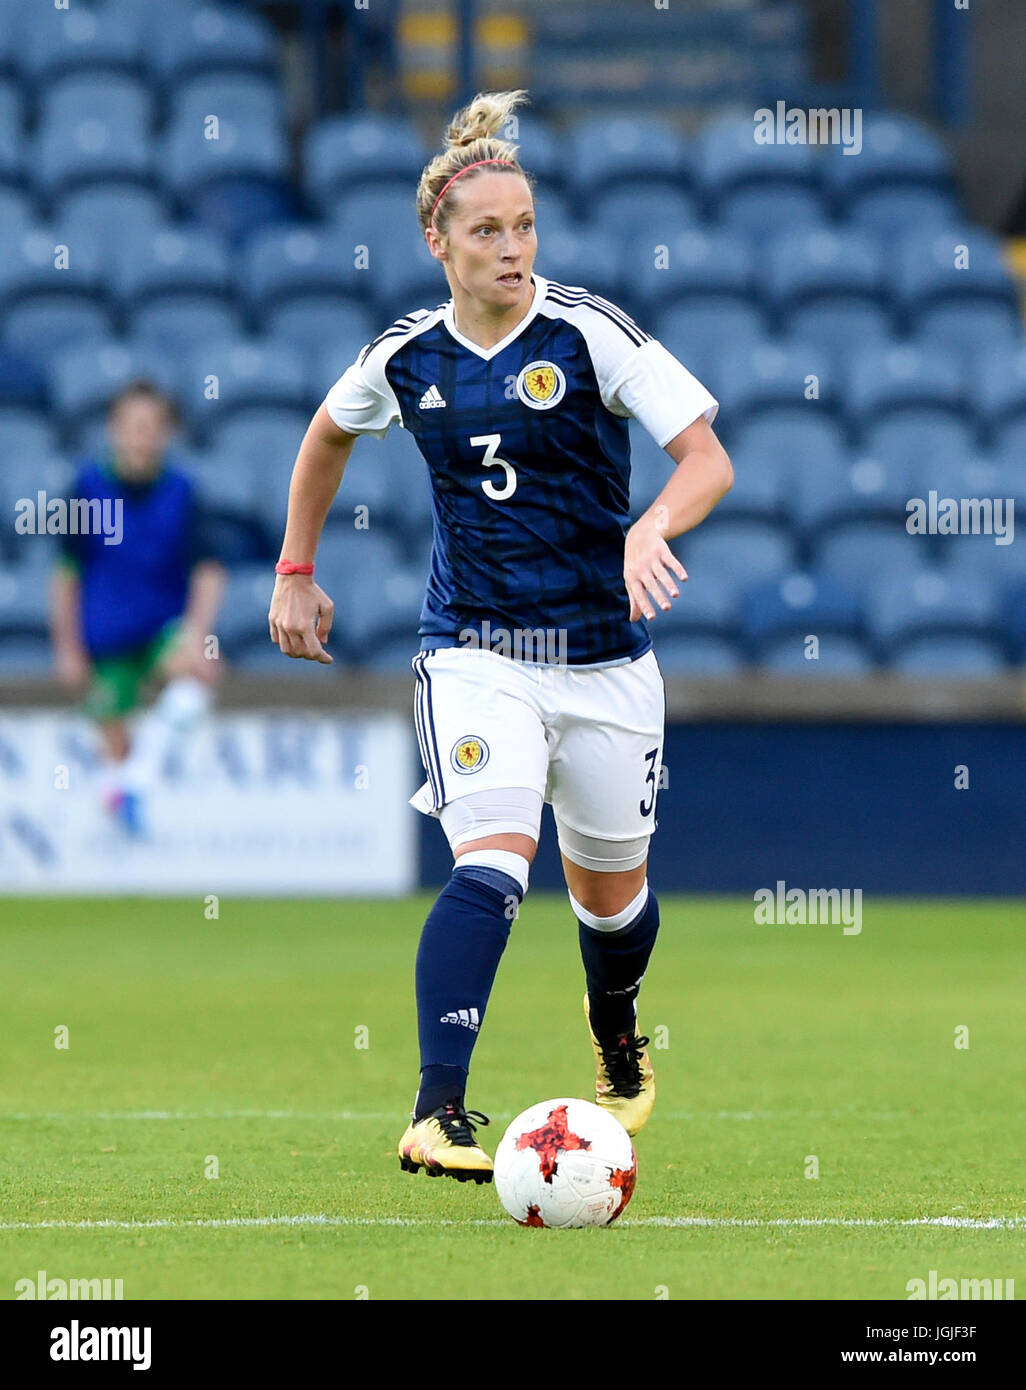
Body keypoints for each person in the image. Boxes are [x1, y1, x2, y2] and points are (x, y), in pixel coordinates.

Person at [268, 90, 733, 1183]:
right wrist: (296, 569)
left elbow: (706, 456)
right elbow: (327, 433)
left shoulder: (587, 331)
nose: (513, 247)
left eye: (524, 225)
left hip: (606, 663)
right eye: (488, 230)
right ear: (438, 241)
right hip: (474, 653)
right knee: (492, 861)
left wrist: (650, 525)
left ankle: (614, 1022)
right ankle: (438, 1112)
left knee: (614, 904)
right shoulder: (408, 356)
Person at [50, 380, 225, 836]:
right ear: (113, 429)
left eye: (152, 426)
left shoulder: (183, 490)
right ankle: (125, 801)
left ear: (166, 431)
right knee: (116, 750)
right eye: (133, 425)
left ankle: (135, 785)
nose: (141, 435)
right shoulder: (86, 487)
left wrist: (196, 633)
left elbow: (208, 570)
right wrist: (67, 648)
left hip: (161, 628)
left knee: (195, 675)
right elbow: (67, 574)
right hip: (105, 635)